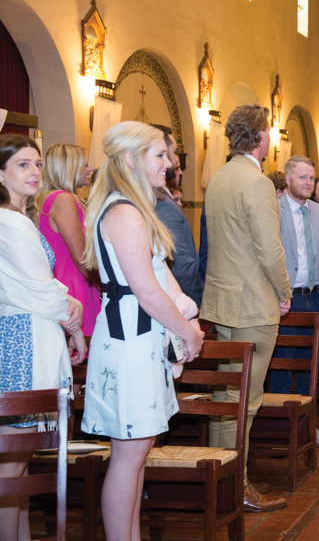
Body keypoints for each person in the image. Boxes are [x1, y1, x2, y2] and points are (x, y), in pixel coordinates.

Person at [80, 122, 203, 541]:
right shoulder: (124, 211)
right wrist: (187, 333)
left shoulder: (132, 208)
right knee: (129, 457)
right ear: (131, 159)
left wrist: (189, 318)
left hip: (140, 340)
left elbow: (161, 276)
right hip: (128, 342)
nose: (168, 164)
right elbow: (145, 289)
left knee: (137, 453)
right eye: (160, 155)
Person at [201, 104, 292, 513]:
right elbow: (269, 249)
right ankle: (236, 486)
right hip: (253, 304)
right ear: (259, 137)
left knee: (226, 397)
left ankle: (218, 481)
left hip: (222, 302)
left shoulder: (219, 177)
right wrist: (284, 290)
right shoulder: (255, 182)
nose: (270, 139)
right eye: (269, 132)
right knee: (247, 401)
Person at [0, 134, 85, 541]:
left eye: (37, 164)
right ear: (0, 173)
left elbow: (48, 286)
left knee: (20, 463)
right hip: (20, 345)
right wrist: (75, 318)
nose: (34, 171)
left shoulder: (21, 218)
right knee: (10, 466)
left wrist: (70, 310)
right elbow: (41, 290)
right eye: (22, 165)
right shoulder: (8, 221)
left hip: (31, 337)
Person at [272, 155, 319, 448]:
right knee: (282, 368)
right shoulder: (274, 210)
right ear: (287, 179)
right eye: (302, 178)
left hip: (314, 299)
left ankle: (308, 430)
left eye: (311, 178)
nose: (309, 183)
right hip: (287, 301)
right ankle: (280, 433)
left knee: (310, 368)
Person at [35, 142, 101, 335]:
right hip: (75, 284)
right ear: (69, 167)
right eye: (85, 164)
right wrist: (103, 286)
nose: (90, 169)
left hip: (68, 280)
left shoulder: (50, 197)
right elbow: (80, 256)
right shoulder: (63, 199)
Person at [151, 125, 203, 308]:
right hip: (178, 297)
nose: (172, 160)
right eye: (165, 154)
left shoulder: (161, 196)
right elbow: (179, 262)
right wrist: (197, 299)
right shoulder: (162, 203)